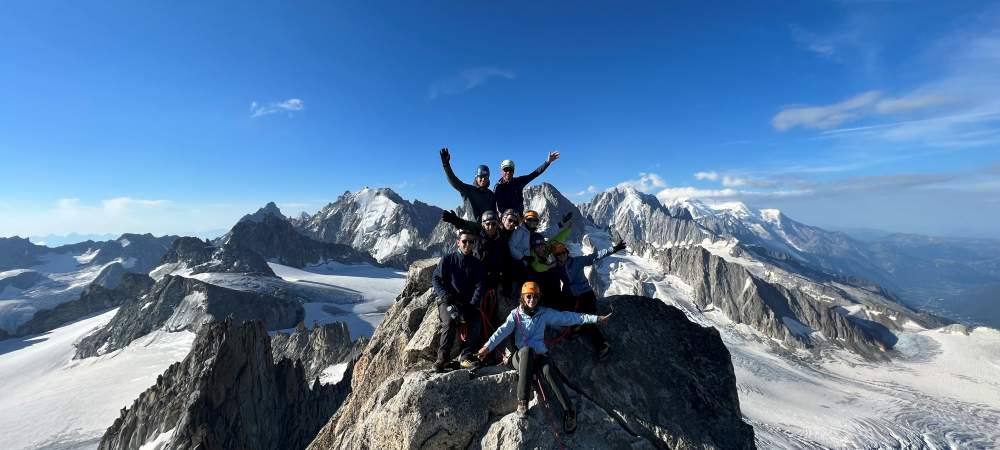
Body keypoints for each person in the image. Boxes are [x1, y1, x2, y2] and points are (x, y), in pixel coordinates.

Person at [476, 281, 612, 434]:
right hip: (520, 357)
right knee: (527, 350)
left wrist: (595, 319)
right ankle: (523, 402)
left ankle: (569, 411)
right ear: (522, 297)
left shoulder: (544, 314)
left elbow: (567, 317)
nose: (532, 300)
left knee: (548, 370)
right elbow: (501, 332)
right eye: (528, 296)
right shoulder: (515, 315)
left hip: (539, 356)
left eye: (535, 297)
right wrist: (487, 348)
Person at [552, 239, 627, 359]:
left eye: (563, 253)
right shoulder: (556, 267)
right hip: (570, 295)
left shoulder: (577, 261)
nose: (562, 256)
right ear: (556, 257)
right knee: (565, 313)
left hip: (585, 294)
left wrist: (613, 249)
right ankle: (575, 326)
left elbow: (595, 256)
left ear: (567, 253)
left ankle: (602, 345)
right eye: (559, 254)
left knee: (585, 318)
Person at [432, 229, 486, 371]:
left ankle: (465, 357)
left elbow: (480, 285)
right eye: (464, 241)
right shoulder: (448, 259)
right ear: (458, 243)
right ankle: (441, 360)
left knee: (476, 321)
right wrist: (444, 295)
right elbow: (436, 278)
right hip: (448, 302)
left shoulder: (477, 264)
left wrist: (473, 305)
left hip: (467, 304)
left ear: (474, 244)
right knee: (449, 323)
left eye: (471, 242)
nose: (467, 244)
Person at [494, 151, 560, 215]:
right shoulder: (498, 187)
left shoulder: (518, 182)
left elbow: (534, 174)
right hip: (505, 219)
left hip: (518, 219)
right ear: (501, 171)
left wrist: (547, 162)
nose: (508, 172)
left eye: (510, 170)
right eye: (506, 170)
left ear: (513, 172)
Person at [440, 148, 497, 221]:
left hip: (488, 229)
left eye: (486, 177)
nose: (483, 179)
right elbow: (454, 181)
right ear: (476, 177)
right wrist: (446, 165)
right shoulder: (468, 190)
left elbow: (494, 212)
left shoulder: (490, 194)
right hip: (473, 229)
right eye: (481, 177)